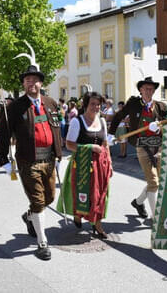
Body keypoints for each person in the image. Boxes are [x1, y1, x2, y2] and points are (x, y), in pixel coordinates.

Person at [0, 64, 62, 261]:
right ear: (24, 84)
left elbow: (56, 130)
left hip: (49, 159)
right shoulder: (13, 108)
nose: (31, 83)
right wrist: (4, 161)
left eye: (34, 80)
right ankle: (42, 243)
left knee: (49, 198)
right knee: (38, 201)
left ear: (41, 83)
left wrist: (59, 155)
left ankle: (29, 217)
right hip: (28, 161)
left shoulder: (51, 103)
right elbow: (3, 135)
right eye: (27, 80)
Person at [109, 76, 167, 219]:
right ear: (140, 90)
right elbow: (118, 116)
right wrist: (111, 134)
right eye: (146, 88)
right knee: (153, 182)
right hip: (142, 145)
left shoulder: (161, 106)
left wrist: (160, 126)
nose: (149, 91)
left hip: (158, 146)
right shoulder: (134, 103)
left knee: (158, 181)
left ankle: (138, 202)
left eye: (151, 89)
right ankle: (157, 217)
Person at [57, 91, 112, 238]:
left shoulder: (101, 121)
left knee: (100, 194)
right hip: (82, 163)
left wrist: (110, 163)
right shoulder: (77, 121)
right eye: (92, 104)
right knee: (83, 193)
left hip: (100, 164)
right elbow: (69, 144)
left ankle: (97, 223)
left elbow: (105, 144)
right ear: (86, 105)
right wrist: (90, 148)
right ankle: (78, 214)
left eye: (98, 104)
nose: (96, 107)